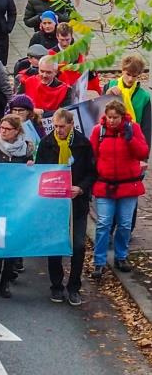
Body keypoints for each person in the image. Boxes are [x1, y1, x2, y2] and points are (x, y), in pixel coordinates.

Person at [35, 108, 95, 305]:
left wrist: (81, 188)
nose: (58, 130)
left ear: (71, 125)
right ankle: (56, 285)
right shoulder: (46, 143)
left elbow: (91, 172)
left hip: (77, 203)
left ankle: (74, 287)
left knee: (78, 245)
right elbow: (39, 171)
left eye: (62, 126)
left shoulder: (82, 144)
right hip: (54, 204)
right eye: (55, 126)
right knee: (55, 245)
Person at [91, 99, 149, 281]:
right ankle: (99, 262)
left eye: (115, 117)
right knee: (103, 224)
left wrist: (130, 138)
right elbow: (92, 155)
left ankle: (121, 256)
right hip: (105, 184)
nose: (112, 121)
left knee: (124, 225)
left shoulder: (133, 129)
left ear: (122, 116)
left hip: (128, 185)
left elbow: (143, 153)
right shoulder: (98, 131)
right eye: (109, 117)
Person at [0, 113, 35, 297]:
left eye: (7, 129)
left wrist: (32, 167)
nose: (3, 132)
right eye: (1, 128)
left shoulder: (26, 150)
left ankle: (5, 282)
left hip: (18, 203)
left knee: (13, 242)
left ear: (17, 131)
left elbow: (33, 176)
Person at [105, 54, 152, 144]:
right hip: (110, 138)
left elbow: (146, 128)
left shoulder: (144, 97)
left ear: (139, 75)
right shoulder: (110, 86)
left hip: (133, 140)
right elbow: (99, 114)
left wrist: (144, 153)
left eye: (134, 76)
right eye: (128, 74)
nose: (130, 79)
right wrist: (107, 95)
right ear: (122, 71)